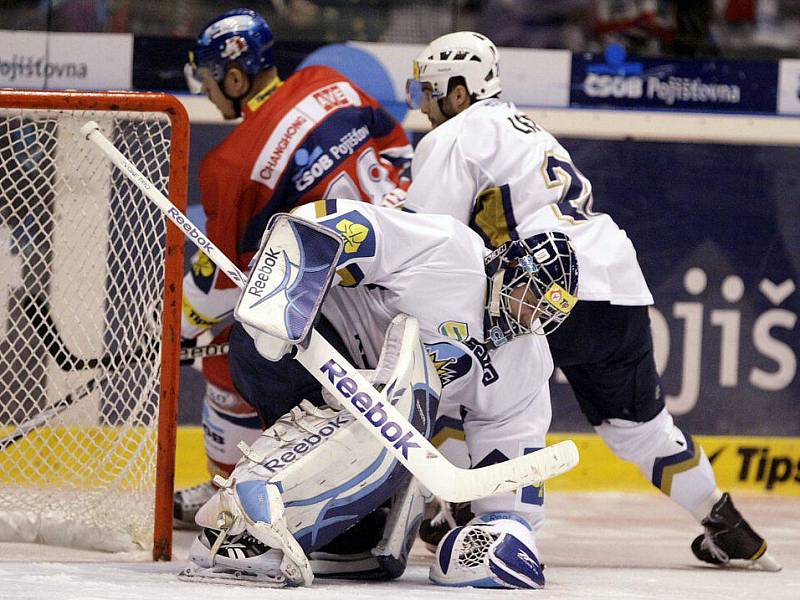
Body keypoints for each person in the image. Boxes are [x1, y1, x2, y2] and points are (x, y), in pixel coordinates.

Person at [403, 31, 780, 571]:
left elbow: (430, 243)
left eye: (431, 91)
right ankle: (725, 523)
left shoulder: (452, 136)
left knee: (447, 382)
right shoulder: (527, 128)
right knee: (640, 428)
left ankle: (467, 505)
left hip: (532, 287)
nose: (423, 104)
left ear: (459, 93)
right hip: (612, 277)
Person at [181, 198, 579, 588]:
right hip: (301, 347)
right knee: (415, 390)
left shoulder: (526, 362)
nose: (529, 316)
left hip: (376, 403)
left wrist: (504, 527)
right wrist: (287, 286)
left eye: (543, 312)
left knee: (366, 545)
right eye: (526, 296)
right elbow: (336, 222)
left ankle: (271, 526)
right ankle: (247, 524)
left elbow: (513, 451)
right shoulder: (449, 249)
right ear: (507, 268)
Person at [175, 7, 413, 526]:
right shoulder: (330, 82)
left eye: (210, 79)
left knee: (229, 356)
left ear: (235, 77)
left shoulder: (233, 163)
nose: (207, 91)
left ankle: (234, 491)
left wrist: (185, 328)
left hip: (345, 313)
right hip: (411, 275)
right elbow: (400, 152)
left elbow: (225, 284)